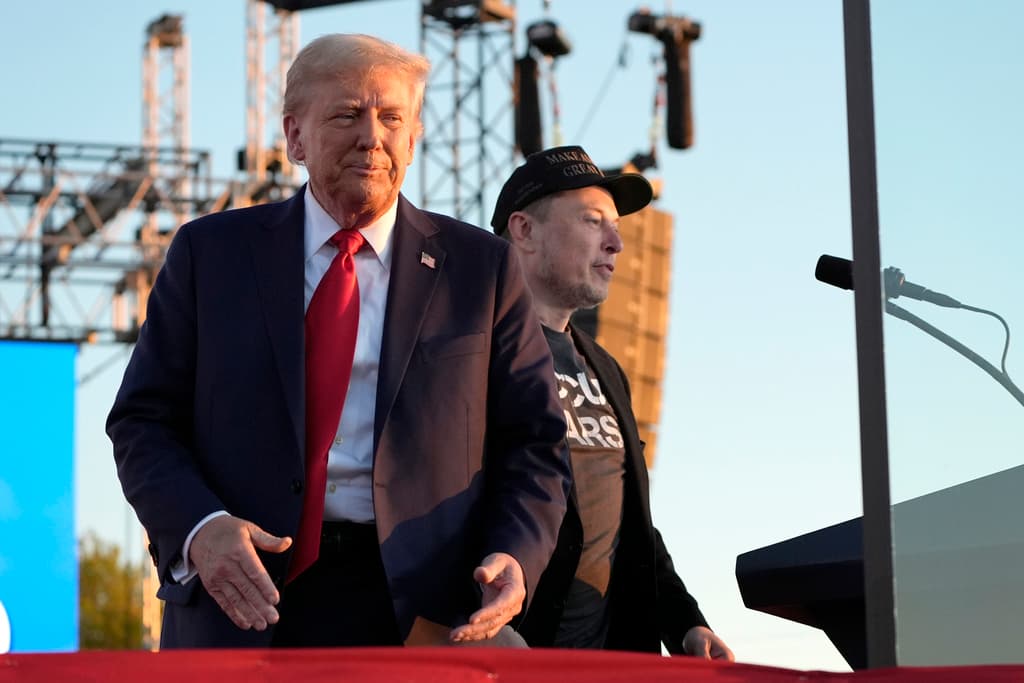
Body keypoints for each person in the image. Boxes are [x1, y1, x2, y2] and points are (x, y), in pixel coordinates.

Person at [107, 34, 570, 649]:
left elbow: (534, 443)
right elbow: (143, 420)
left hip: (426, 616)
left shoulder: (481, 270)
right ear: (295, 136)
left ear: (414, 136)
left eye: (392, 118)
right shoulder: (209, 254)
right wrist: (200, 527)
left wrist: (515, 552)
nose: (372, 137)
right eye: (348, 114)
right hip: (240, 602)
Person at [492, 145, 734, 659]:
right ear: (524, 230)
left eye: (616, 225)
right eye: (592, 221)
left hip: (614, 660)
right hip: (509, 655)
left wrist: (686, 622)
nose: (617, 242)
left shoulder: (605, 368)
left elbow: (631, 519)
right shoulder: (469, 353)